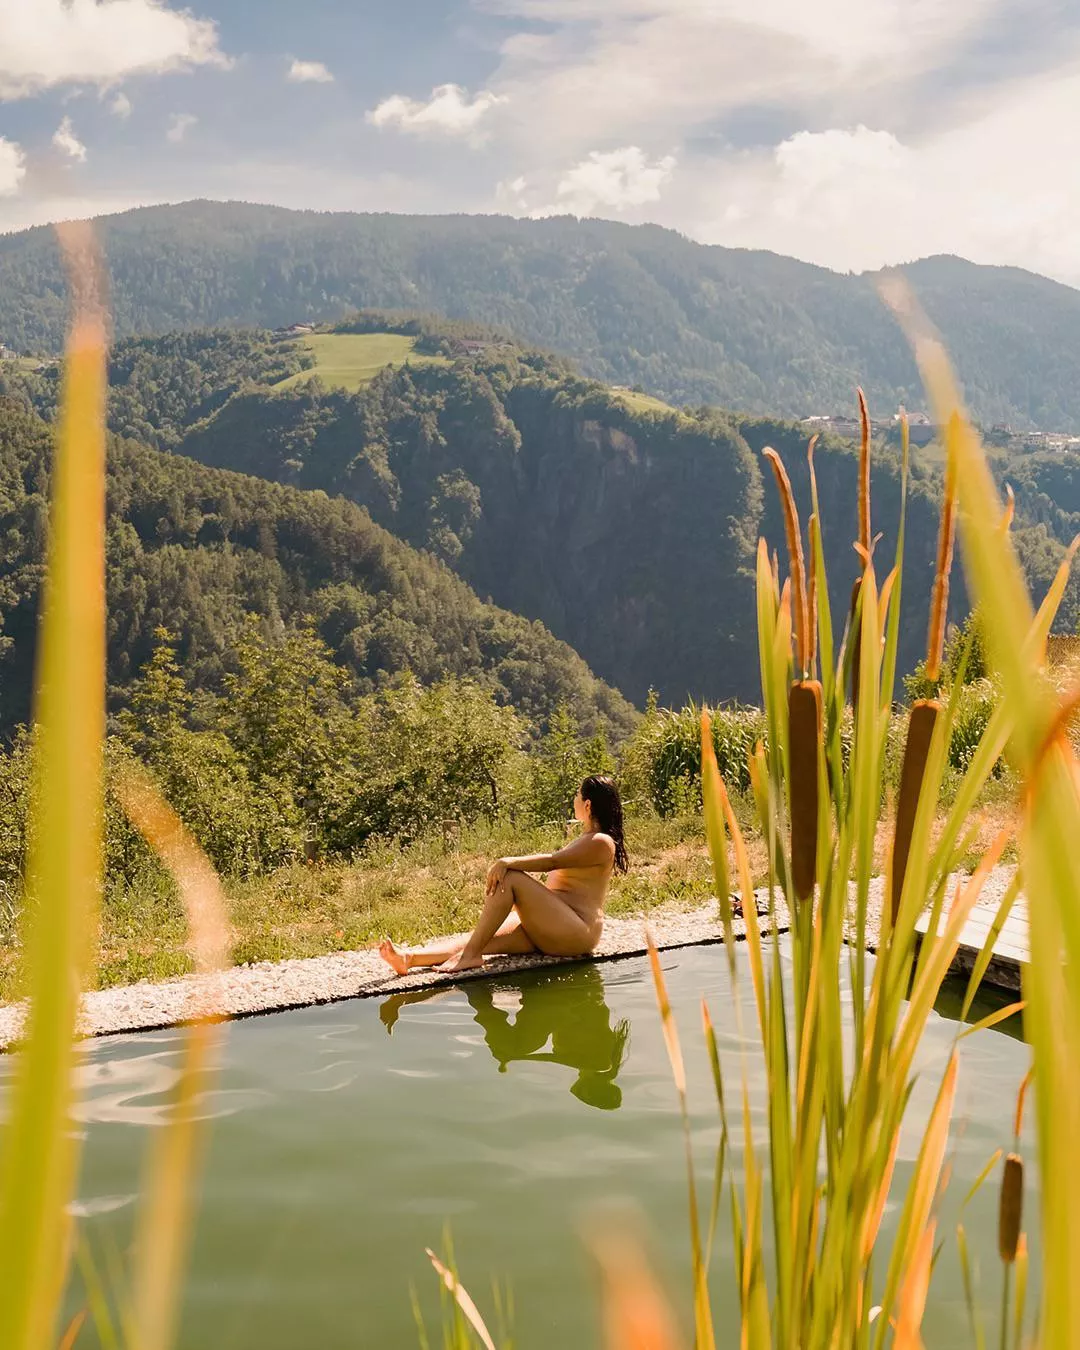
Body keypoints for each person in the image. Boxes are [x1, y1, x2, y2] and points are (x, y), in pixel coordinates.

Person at [378, 774, 629, 976]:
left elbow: (553, 862)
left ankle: (469, 957)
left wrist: (507, 861)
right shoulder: (587, 838)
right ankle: (408, 959)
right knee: (480, 938)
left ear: (587, 804)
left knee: (511, 877)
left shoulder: (601, 842)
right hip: (554, 923)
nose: (573, 799)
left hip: (576, 931)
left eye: (577, 795)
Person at [379, 966, 631, 1110]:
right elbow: (556, 1058)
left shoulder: (599, 1063)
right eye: (580, 1088)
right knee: (515, 1045)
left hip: (563, 1007)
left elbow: (556, 1057)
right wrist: (519, 1057)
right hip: (570, 1001)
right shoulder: (600, 1063)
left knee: (516, 1045)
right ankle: (477, 995)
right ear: (591, 1088)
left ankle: (479, 1000)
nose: (575, 1082)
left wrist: (521, 1057)